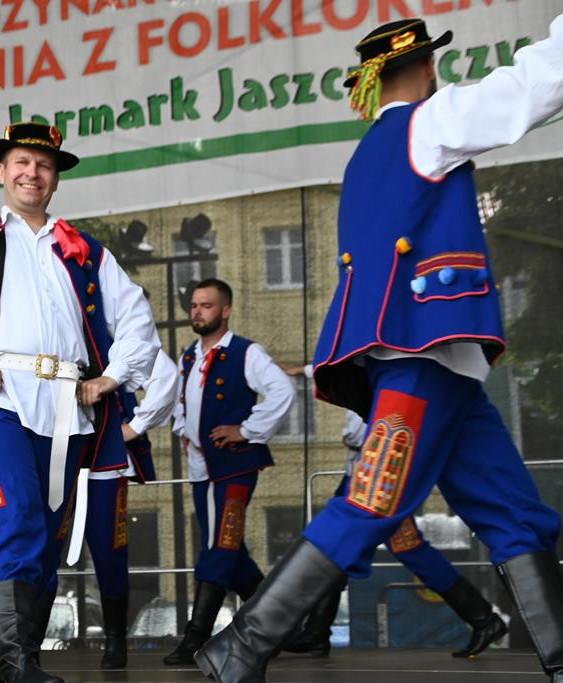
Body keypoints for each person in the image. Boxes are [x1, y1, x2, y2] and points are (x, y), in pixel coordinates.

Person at [195, 16, 563, 683]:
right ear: (426, 68)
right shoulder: (431, 122)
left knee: (513, 512)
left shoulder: (368, 153)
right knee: (371, 500)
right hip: (423, 356)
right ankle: (241, 645)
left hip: (432, 362)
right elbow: (528, 91)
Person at [0, 121, 159, 683]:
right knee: (15, 516)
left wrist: (110, 378)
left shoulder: (85, 250)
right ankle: (19, 661)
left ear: (56, 179)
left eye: (43, 165)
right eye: (21, 162)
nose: (31, 173)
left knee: (47, 534)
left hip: (69, 408)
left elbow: (137, 318)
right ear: (2, 171)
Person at [281, 366, 505, 658]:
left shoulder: (387, 363)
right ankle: (316, 633)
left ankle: (483, 618)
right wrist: (300, 370)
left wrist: (360, 436)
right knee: (342, 545)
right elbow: (335, 365)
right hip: (363, 473)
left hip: (379, 474)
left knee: (392, 547)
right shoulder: (364, 358)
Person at [161, 279, 294, 666]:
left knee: (219, 547)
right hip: (202, 468)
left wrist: (248, 430)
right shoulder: (190, 356)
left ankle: (196, 638)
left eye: (206, 305)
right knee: (231, 552)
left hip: (234, 466)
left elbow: (282, 391)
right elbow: (182, 401)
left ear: (225, 311)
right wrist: (184, 430)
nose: (197, 311)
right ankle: (285, 623)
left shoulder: (246, 352)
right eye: (195, 305)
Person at [83, 348, 180, 669]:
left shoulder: (112, 337)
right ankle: (24, 644)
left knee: (109, 551)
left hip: (104, 463)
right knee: (38, 545)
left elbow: (164, 373)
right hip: (51, 455)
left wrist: (136, 425)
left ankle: (115, 639)